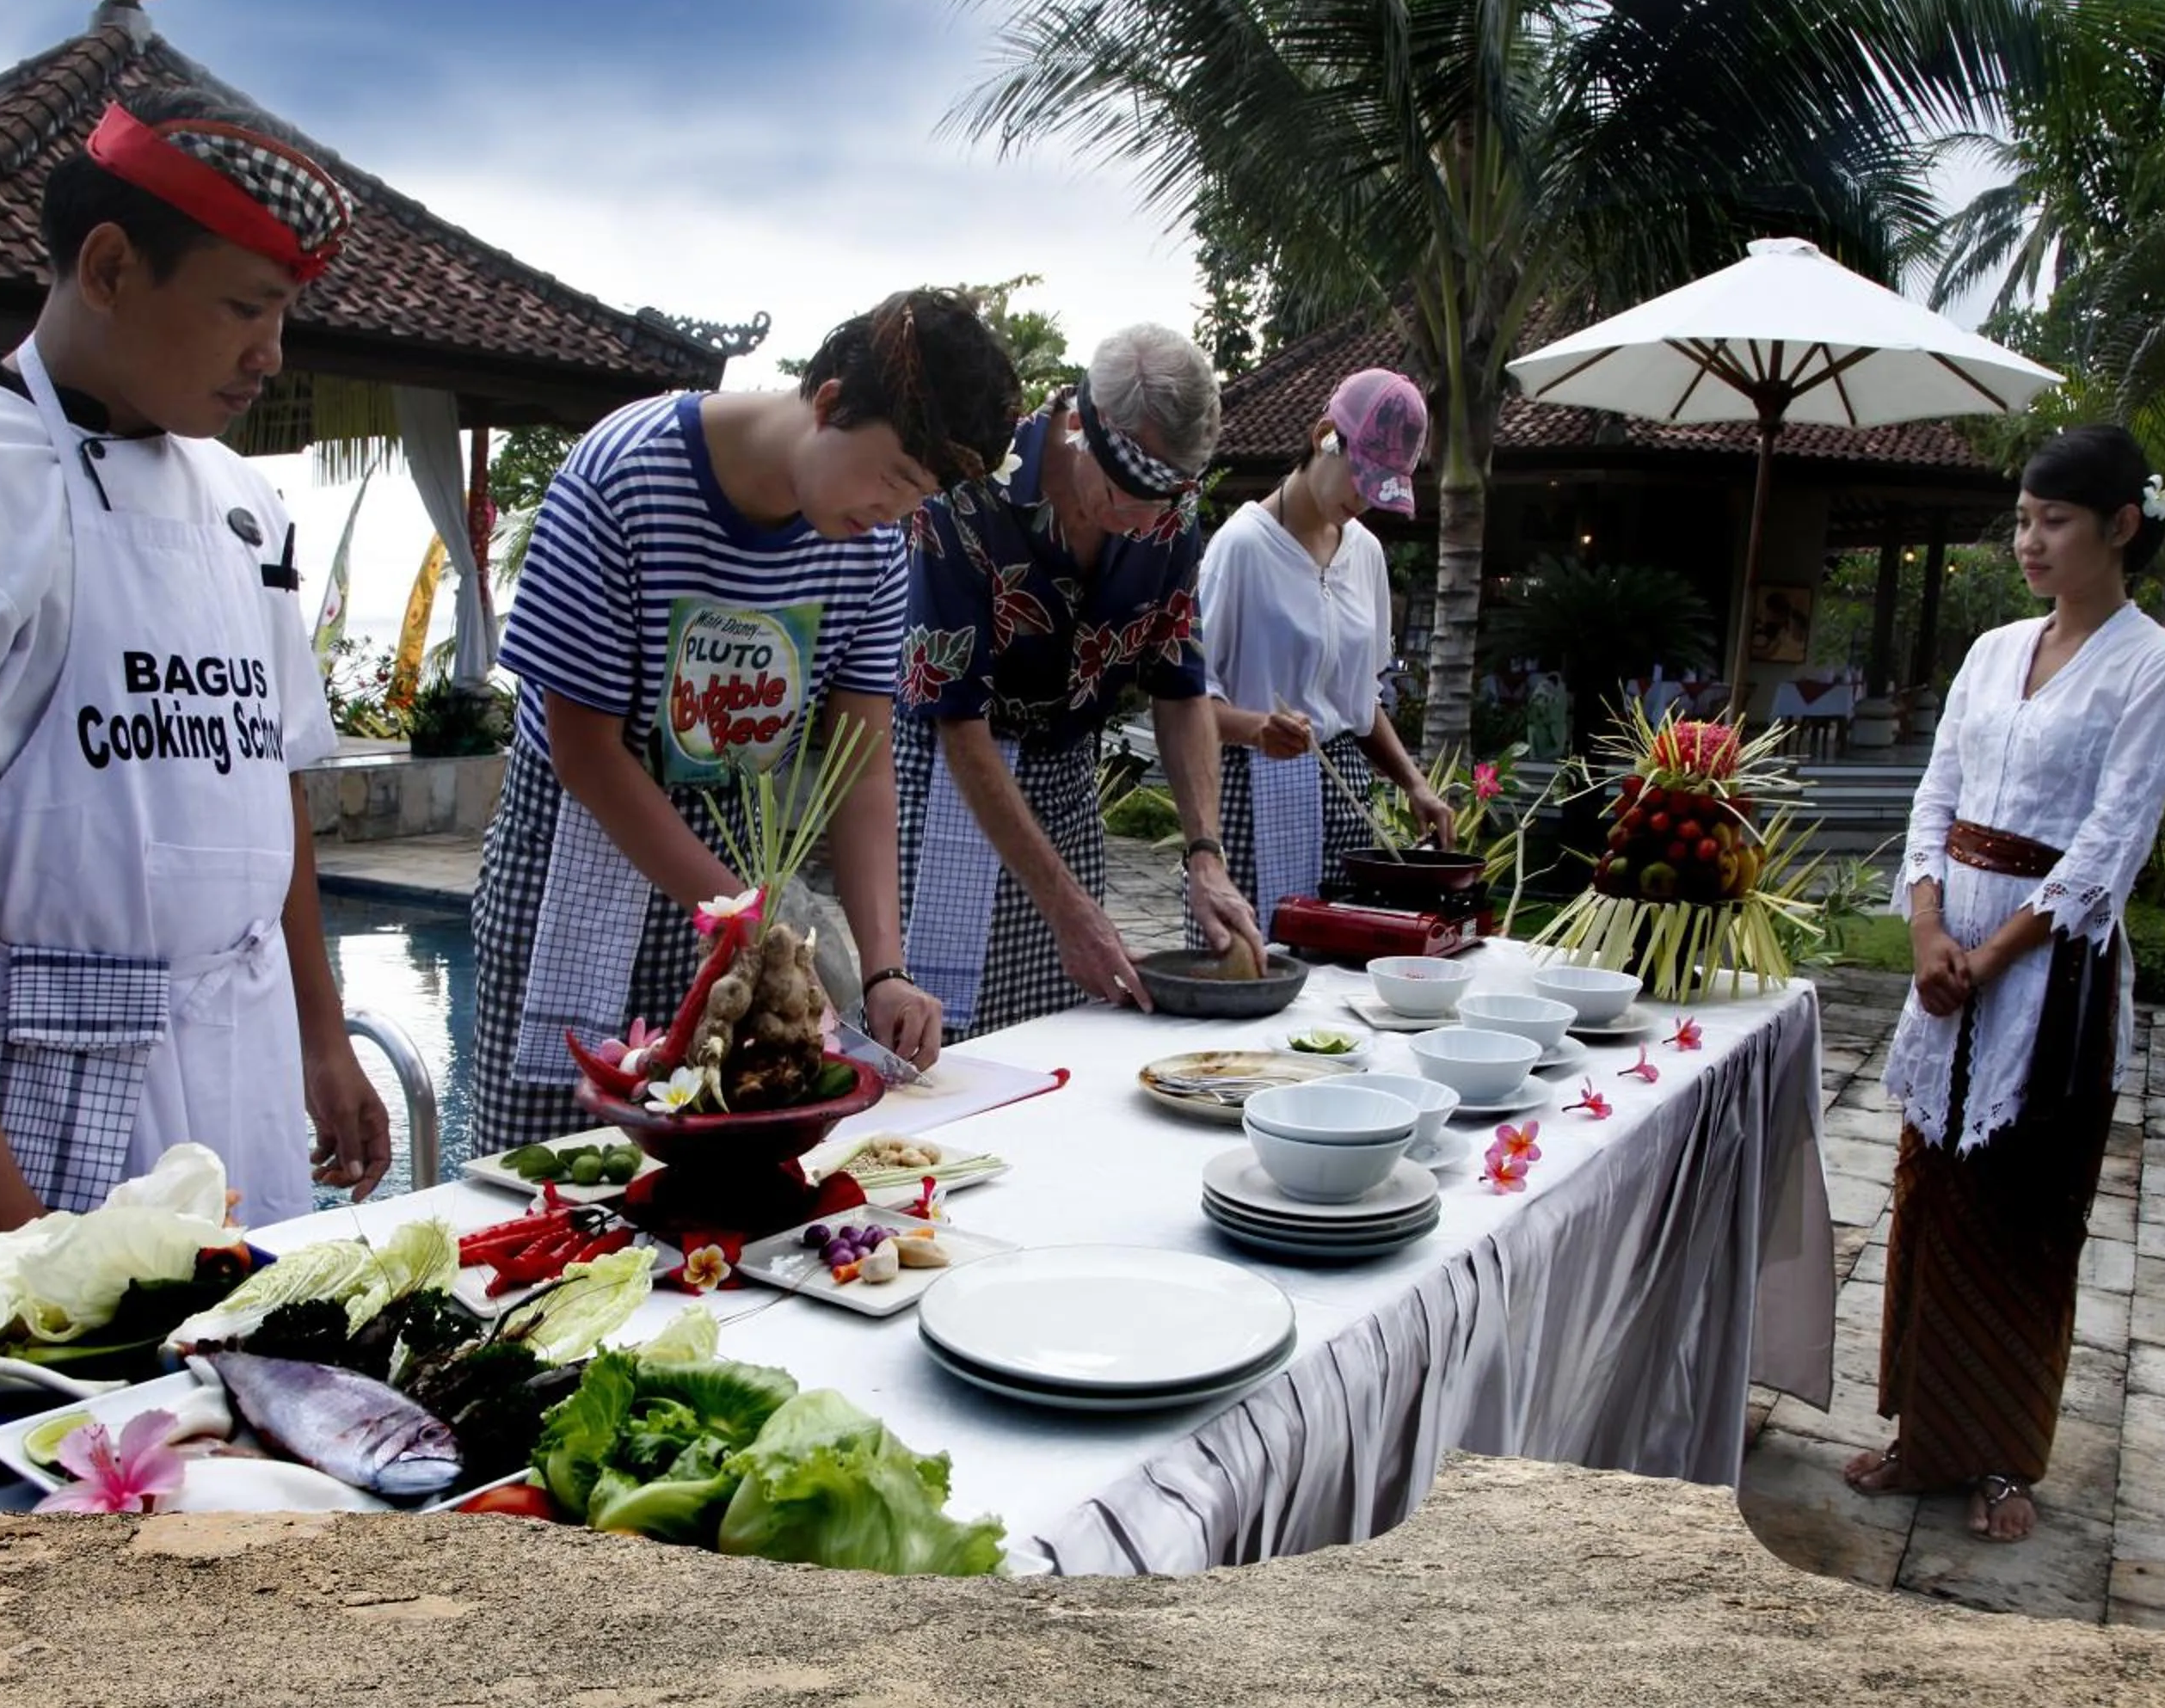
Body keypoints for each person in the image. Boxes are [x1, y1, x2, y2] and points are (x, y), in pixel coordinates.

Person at [0, 89, 390, 1233]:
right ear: (107, 267)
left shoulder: (244, 505)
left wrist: (322, 1036)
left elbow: (275, 786)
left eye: (284, 317)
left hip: (236, 1068)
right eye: (244, 309)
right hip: (16, 1105)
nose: (270, 356)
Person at [470, 289, 1020, 1152]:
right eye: (892, 476)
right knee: (561, 1169)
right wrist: (750, 925)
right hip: (589, 850)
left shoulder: (873, 546)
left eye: (919, 496)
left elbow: (862, 764)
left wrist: (885, 969)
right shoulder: (623, 473)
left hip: (737, 867)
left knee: (732, 1162)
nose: (894, 510)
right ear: (830, 402)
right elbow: (586, 753)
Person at [1847, 425, 2165, 1545]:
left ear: (2120, 529)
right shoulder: (1993, 650)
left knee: (2022, 1213)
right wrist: (1927, 929)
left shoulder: (2155, 666)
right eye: (2022, 521)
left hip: (2051, 981)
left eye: (2054, 522)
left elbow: (2111, 843)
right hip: (1948, 956)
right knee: (1932, 1200)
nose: (2030, 541)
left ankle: (2000, 1455)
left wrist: (1992, 960)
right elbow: (1934, 796)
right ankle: (1923, 1436)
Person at [895, 323, 1258, 1041]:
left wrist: (1205, 853)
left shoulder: (1166, 513)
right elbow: (958, 721)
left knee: (1067, 1023)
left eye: (1163, 500)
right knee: (941, 1032)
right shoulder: (971, 496)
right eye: (1125, 493)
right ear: (1080, 431)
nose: (1140, 520)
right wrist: (1067, 908)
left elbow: (1179, 685)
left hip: (1065, 775)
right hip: (953, 776)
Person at [1191, 368, 1455, 939]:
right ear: (1323, 437)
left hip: (1344, 803)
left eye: (1380, 487)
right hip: (1250, 798)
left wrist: (1414, 784)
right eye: (1360, 478)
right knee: (1249, 975)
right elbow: (1188, 704)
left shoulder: (1366, 555)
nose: (1363, 499)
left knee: (1339, 975)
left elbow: (1361, 701)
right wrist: (1259, 726)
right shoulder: (1240, 549)